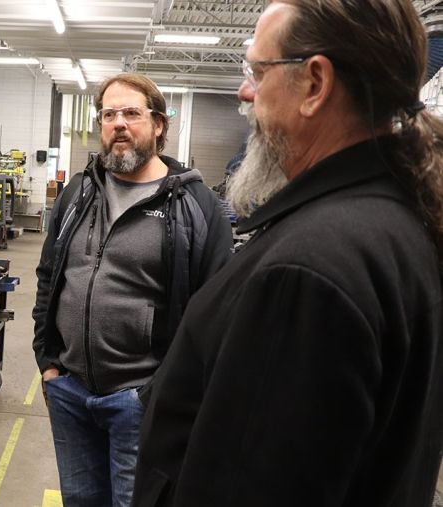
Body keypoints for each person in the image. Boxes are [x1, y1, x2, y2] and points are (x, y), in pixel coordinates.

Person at [133, 2, 443, 506]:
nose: (245, 91)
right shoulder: (395, 224)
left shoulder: (308, 270)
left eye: (258, 71)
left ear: (315, 84)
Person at [32, 73, 233, 506]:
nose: (119, 123)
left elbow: (215, 314)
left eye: (131, 113)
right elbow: (49, 275)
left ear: (158, 125)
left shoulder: (195, 206)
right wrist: (47, 361)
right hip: (69, 390)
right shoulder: (78, 194)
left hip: (140, 402)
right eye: (109, 114)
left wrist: (159, 392)